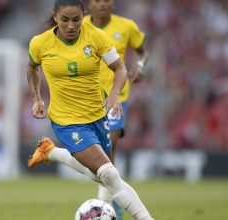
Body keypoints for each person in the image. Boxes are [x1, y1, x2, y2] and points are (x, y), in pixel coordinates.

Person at [26, 0, 154, 220]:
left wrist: (114, 94)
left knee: (104, 176)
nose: (71, 26)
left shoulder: (96, 36)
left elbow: (120, 68)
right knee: (110, 173)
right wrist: (37, 98)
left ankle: (52, 152)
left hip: (97, 115)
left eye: (76, 19)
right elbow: (31, 68)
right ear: (55, 17)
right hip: (66, 121)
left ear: (82, 15)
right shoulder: (40, 43)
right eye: (65, 20)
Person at [84, 0, 149, 219]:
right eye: (97, 0)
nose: (102, 4)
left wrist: (140, 66)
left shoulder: (127, 26)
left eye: (107, 0)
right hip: (86, 97)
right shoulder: (79, 25)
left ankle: (105, 201)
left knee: (108, 146)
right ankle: (117, 193)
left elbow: (142, 52)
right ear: (89, 4)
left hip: (116, 97)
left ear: (113, 3)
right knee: (97, 153)